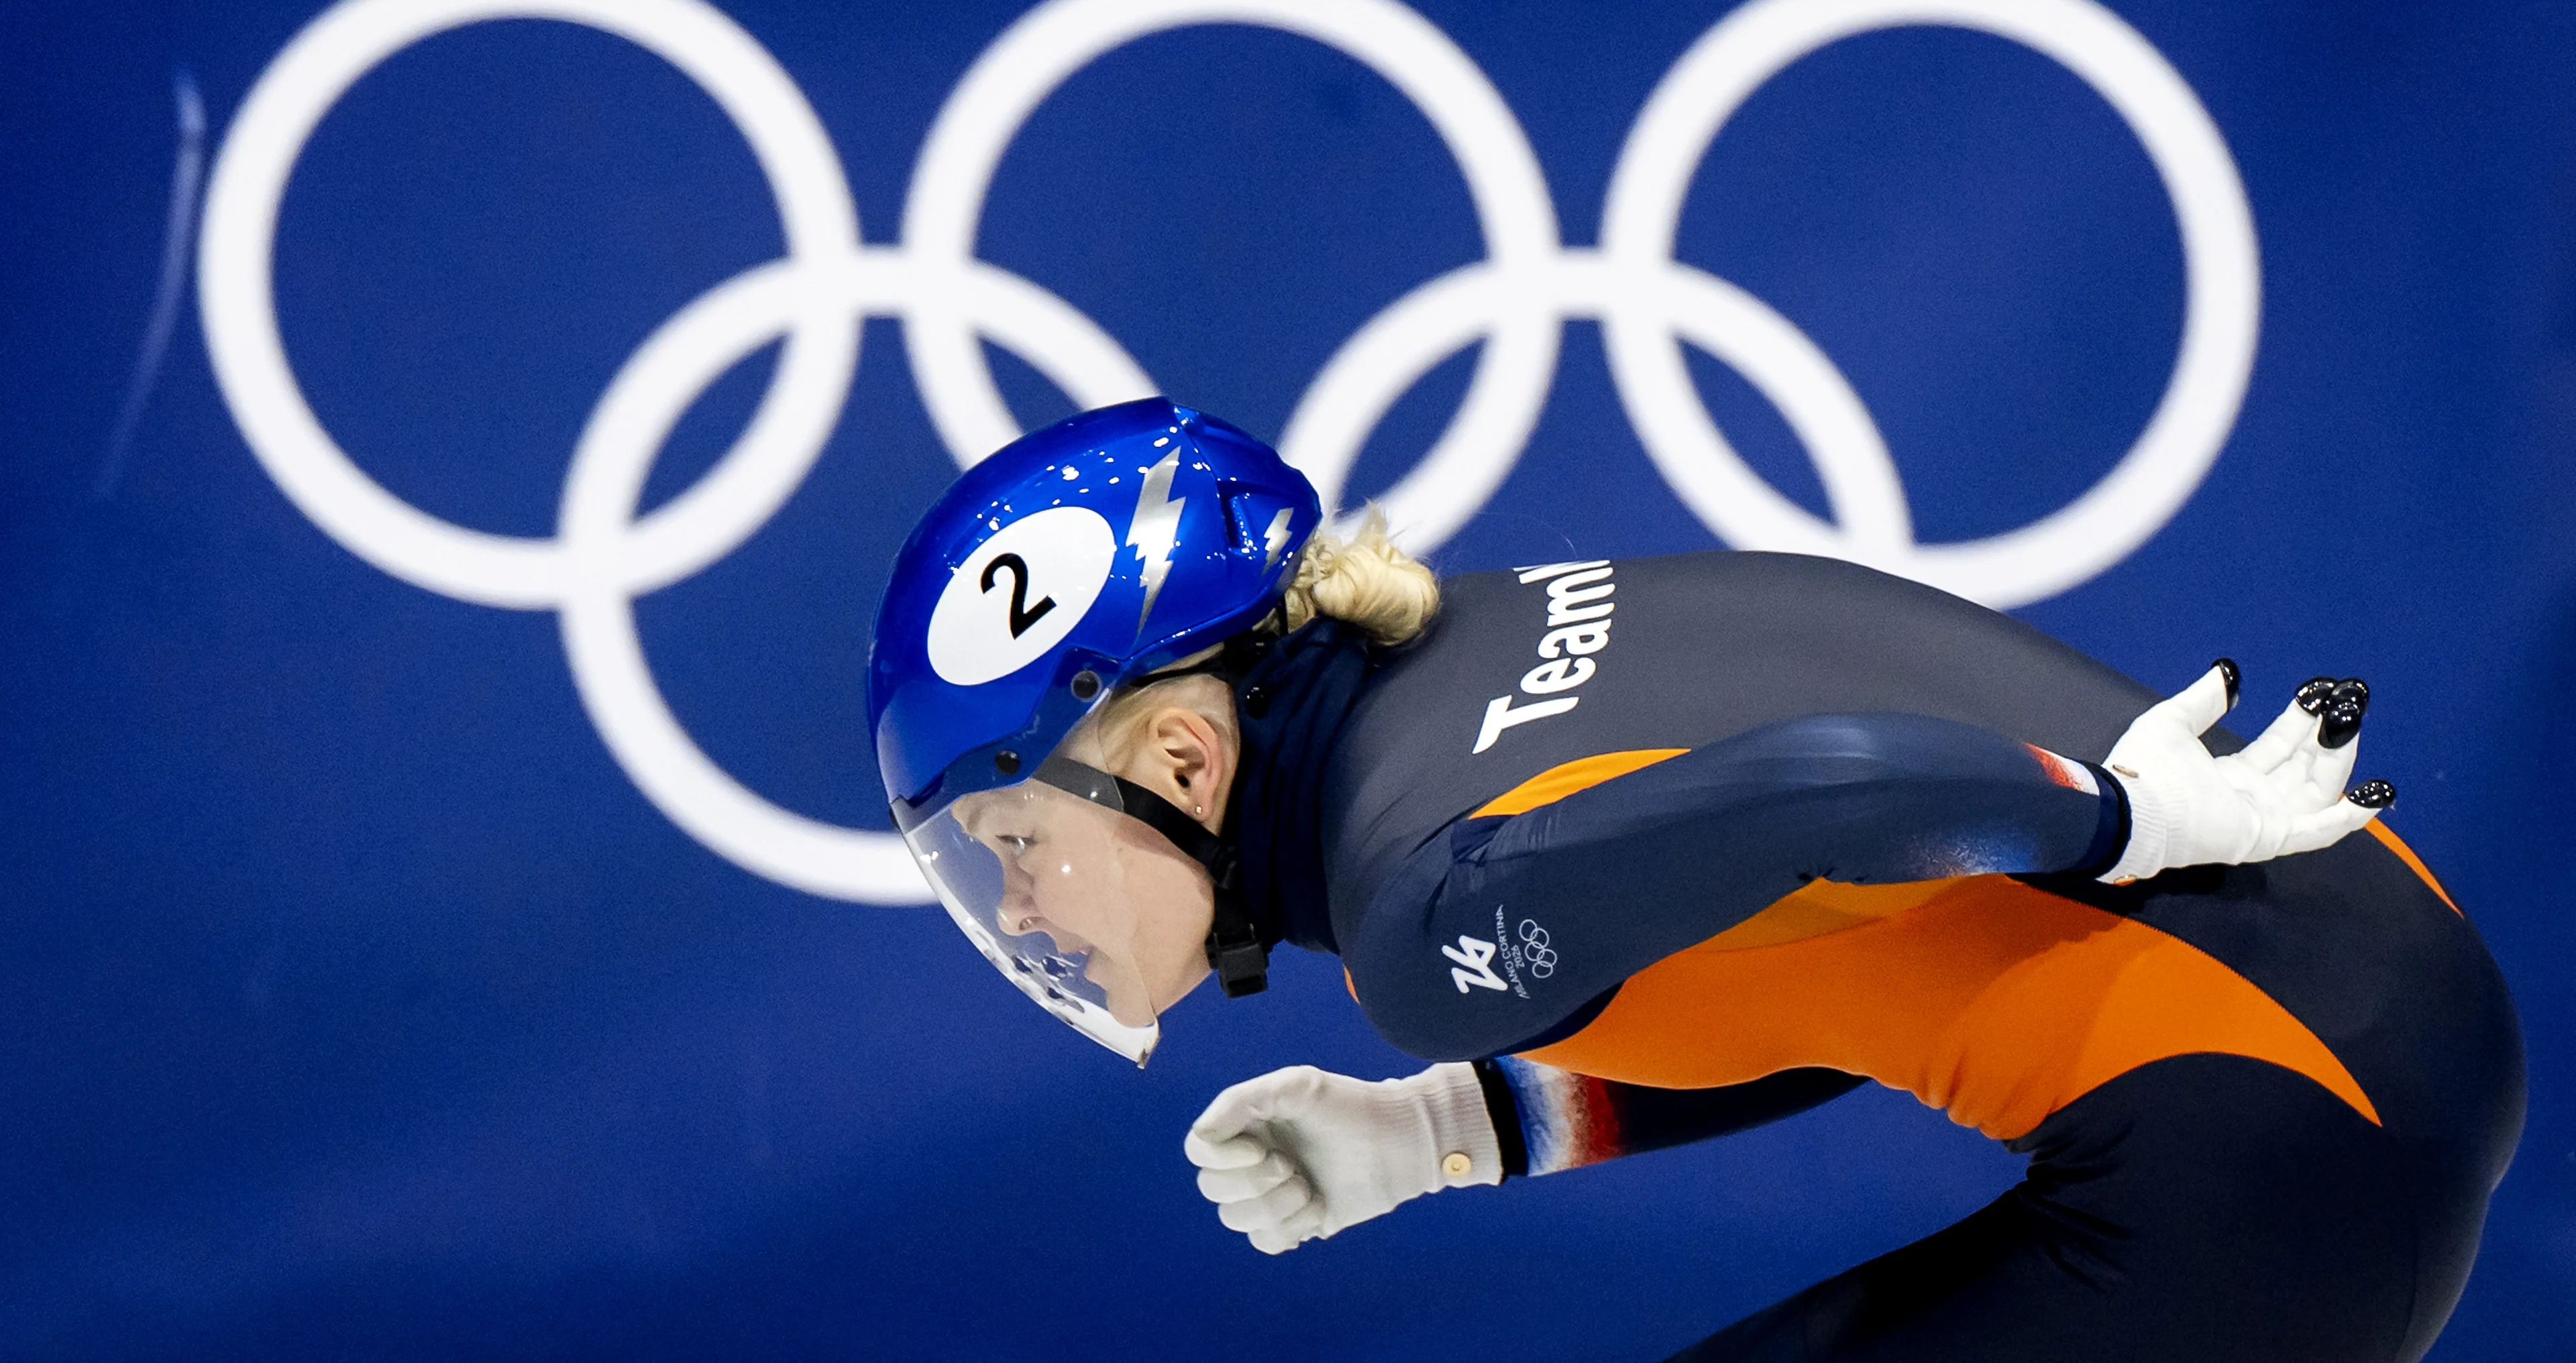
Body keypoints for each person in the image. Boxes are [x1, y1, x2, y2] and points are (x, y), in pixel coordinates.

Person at [868, 399, 2523, 1363]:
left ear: (1176, 764)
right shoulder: (1479, 643)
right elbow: (1821, 953)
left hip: (2288, 1153)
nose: (1018, 911)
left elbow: (1836, 791)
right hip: (2385, 1012)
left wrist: (2115, 822)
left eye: (1015, 839)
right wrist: (1455, 1129)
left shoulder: (1413, 917)